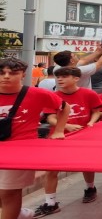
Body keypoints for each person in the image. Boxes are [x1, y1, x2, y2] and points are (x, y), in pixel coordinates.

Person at [0, 58, 69, 219]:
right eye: (2, 73)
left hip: (20, 151)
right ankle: (20, 213)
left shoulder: (37, 94)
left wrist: (59, 130)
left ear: (23, 74)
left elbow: (64, 107)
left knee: (9, 192)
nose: (6, 76)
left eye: (13, 73)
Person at [36, 67, 102, 217]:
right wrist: (66, 125)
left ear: (76, 78)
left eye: (64, 76)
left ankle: (90, 188)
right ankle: (50, 202)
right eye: (58, 77)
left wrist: (91, 122)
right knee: (51, 169)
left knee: (86, 164)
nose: (60, 79)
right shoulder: (53, 96)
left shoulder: (89, 94)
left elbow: (96, 111)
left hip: (84, 136)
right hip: (58, 136)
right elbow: (50, 117)